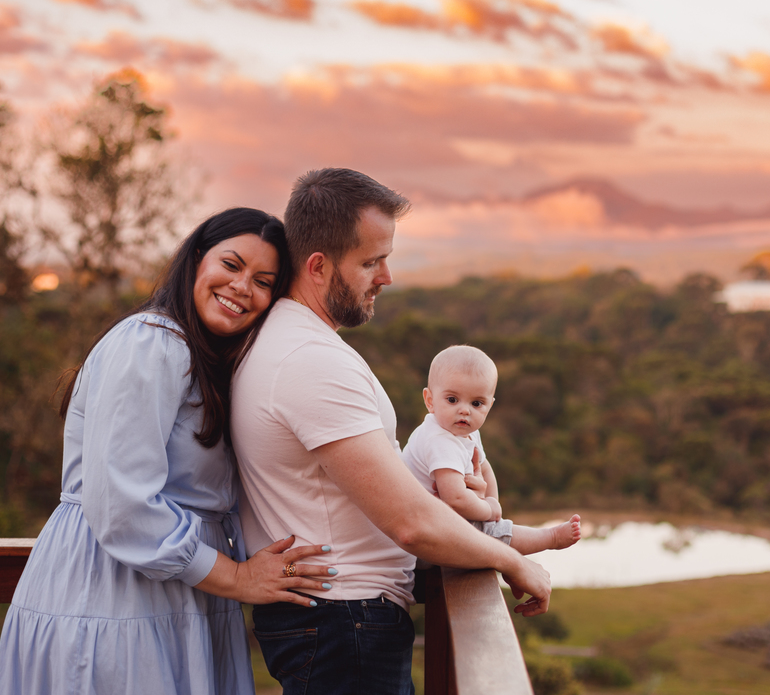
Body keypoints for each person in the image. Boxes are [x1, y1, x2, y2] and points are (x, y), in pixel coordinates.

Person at [231, 168, 552, 695]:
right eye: (371, 262)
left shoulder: (290, 343)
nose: (387, 276)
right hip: (344, 623)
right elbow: (408, 523)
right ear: (318, 266)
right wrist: (511, 560)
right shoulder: (309, 361)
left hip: (339, 621)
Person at [0, 208, 336, 695]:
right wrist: (238, 578)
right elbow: (123, 506)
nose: (242, 287)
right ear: (196, 259)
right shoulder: (152, 343)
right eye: (231, 264)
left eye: (263, 282)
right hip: (114, 593)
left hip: (184, 598)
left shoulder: (211, 361)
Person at [402, 345, 582, 554]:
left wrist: (493, 504)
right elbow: (456, 499)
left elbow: (485, 468)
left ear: (490, 406)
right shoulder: (439, 440)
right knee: (488, 534)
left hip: (440, 520)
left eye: (476, 403)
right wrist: (488, 510)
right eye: (452, 400)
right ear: (430, 400)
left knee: (490, 527)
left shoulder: (467, 433)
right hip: (422, 531)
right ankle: (550, 538)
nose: (465, 410)